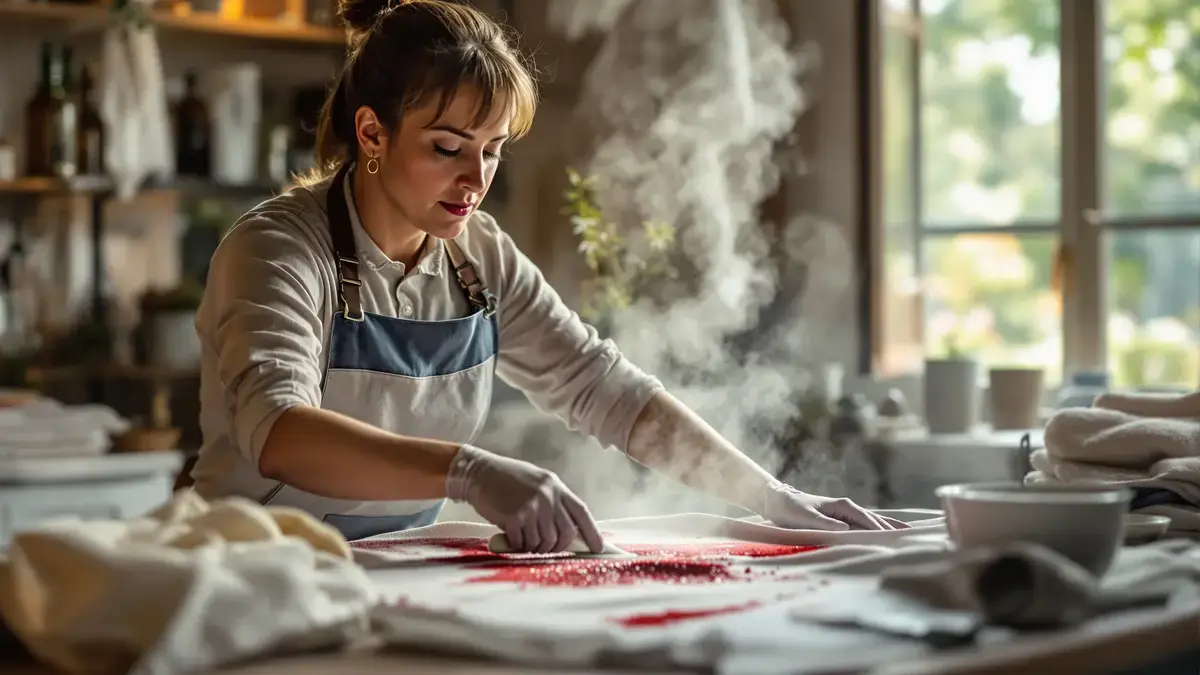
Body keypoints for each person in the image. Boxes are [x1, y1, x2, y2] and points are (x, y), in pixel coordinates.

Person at [188, 0, 907, 553]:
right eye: (448, 148)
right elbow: (279, 431)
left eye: (493, 151)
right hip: (257, 574)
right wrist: (469, 471)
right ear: (372, 133)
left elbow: (604, 387)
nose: (476, 180)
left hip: (384, 571)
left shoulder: (478, 255)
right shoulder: (278, 248)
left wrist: (768, 495)